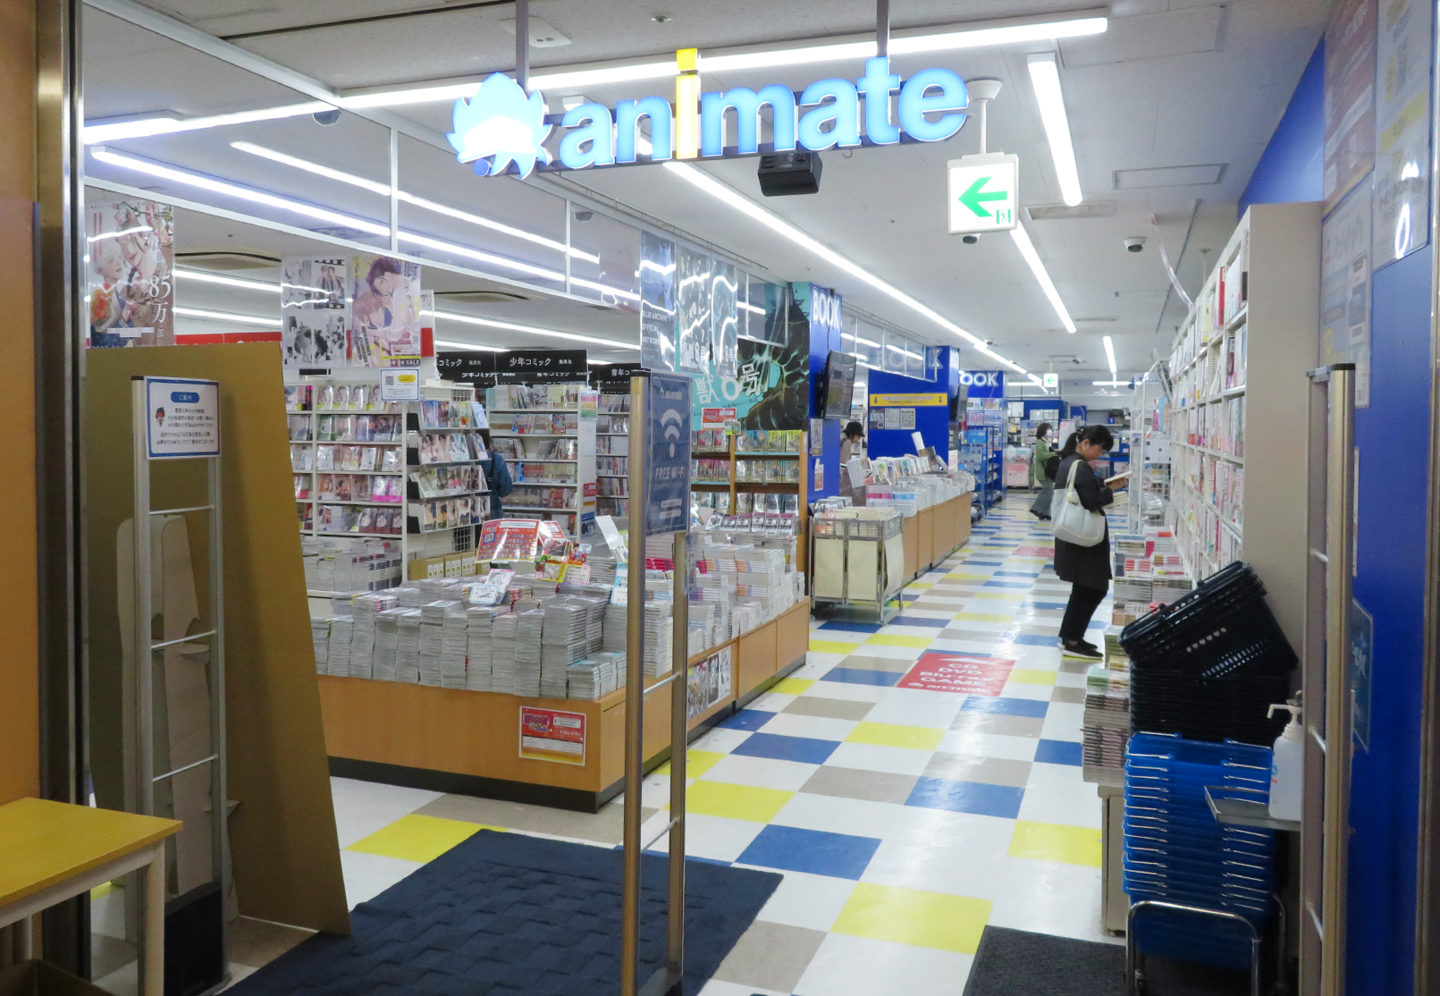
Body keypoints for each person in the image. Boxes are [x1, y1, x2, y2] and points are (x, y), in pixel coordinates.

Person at [1052, 425, 1125, 660]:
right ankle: (1072, 640)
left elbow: (1082, 494)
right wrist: (1112, 489)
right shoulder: (1080, 466)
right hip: (1084, 539)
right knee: (1092, 587)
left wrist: (1102, 487)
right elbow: (1092, 500)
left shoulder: (1068, 462)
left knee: (1086, 588)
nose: (1100, 455)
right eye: (1100, 450)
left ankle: (1071, 637)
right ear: (1086, 443)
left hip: (1074, 536)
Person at [1029, 422, 1056, 520]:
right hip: (1043, 471)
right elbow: (1041, 456)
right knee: (1048, 489)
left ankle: (1045, 513)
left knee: (1049, 490)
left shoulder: (1046, 442)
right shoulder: (1040, 442)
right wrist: (1054, 454)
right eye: (1049, 429)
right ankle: (1036, 508)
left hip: (1047, 470)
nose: (1050, 431)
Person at [838, 420, 867, 506]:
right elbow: (844, 462)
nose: (858, 439)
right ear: (852, 434)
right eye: (858, 436)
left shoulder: (839, 438)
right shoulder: (847, 442)